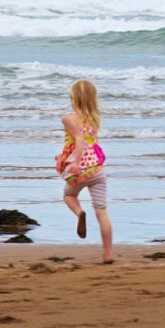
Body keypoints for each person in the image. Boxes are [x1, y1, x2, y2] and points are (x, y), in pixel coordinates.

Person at [55, 79, 113, 264]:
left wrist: (76, 163)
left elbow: (79, 140)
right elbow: (87, 141)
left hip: (81, 170)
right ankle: (108, 254)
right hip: (97, 169)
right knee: (102, 212)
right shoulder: (94, 118)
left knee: (69, 196)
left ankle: (79, 213)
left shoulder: (68, 119)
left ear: (74, 98)